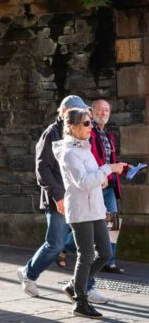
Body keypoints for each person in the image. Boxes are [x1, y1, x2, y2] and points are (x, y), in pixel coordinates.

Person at [16, 94, 107, 304]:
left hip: (81, 199)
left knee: (89, 249)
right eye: (81, 113)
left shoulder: (81, 133)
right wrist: (57, 196)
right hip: (59, 198)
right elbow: (42, 169)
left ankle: (83, 286)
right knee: (56, 244)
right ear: (66, 112)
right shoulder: (51, 134)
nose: (87, 120)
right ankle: (29, 274)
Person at [53, 108, 127, 319]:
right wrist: (109, 169)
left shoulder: (84, 148)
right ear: (72, 127)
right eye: (86, 123)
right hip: (80, 211)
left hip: (94, 209)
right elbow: (83, 182)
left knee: (104, 252)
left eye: (90, 123)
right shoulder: (68, 152)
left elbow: (92, 179)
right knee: (85, 255)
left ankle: (74, 286)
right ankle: (80, 301)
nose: (90, 127)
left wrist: (103, 178)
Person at [90, 99, 124, 274]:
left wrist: (121, 167)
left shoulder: (109, 135)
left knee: (113, 223)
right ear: (92, 111)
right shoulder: (88, 132)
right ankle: (63, 247)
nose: (103, 113)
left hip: (109, 185)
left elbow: (109, 160)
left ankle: (108, 262)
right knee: (88, 224)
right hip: (95, 185)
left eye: (106, 111)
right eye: (100, 110)